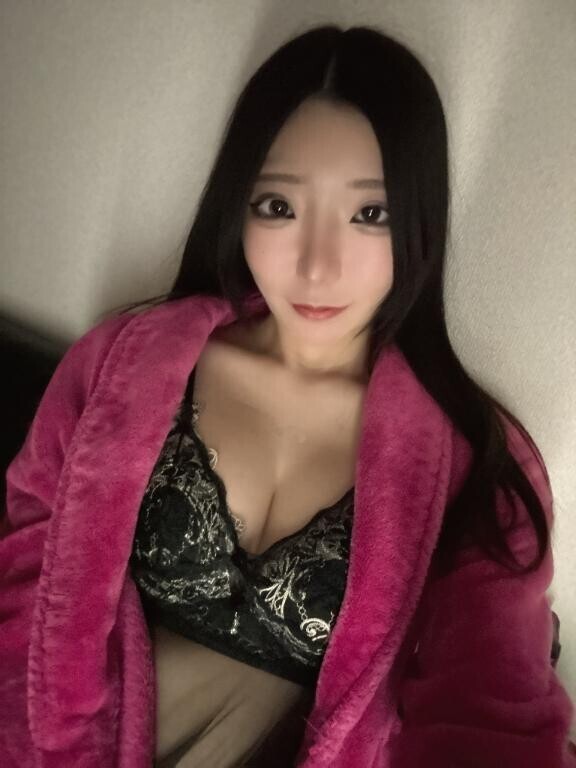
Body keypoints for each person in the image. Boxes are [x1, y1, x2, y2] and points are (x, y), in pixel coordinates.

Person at [1, 22, 575, 768]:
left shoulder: (480, 465)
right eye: (279, 206)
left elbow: (491, 715)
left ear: (419, 224)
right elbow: (28, 579)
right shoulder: (119, 367)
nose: (317, 265)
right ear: (237, 204)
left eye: (369, 214)